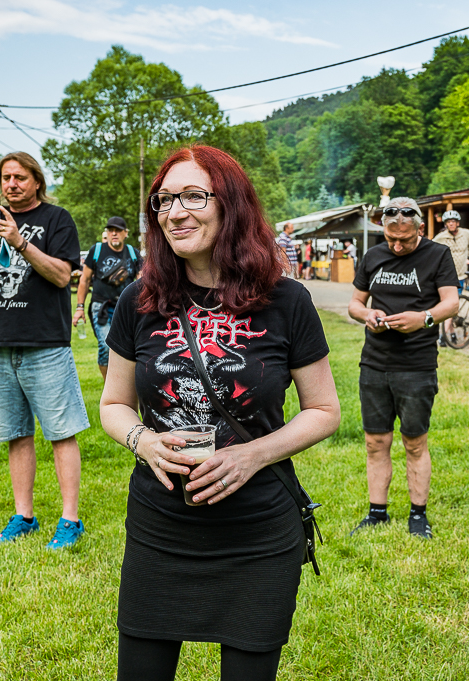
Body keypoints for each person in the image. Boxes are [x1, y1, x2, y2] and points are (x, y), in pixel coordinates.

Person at [99, 145, 340, 681]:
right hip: (161, 527)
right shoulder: (138, 299)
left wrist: (252, 456)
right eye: (164, 200)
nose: (175, 212)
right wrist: (144, 441)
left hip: (257, 531)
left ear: (230, 204)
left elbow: (324, 410)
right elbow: (113, 405)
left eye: (193, 196)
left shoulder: (287, 301)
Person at [0, 151, 90, 549]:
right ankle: (24, 516)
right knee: (16, 433)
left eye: (19, 177)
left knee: (61, 433)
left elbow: (63, 275)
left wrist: (19, 241)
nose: (11, 184)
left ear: (37, 182)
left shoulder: (57, 219)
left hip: (45, 342)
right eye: (5, 178)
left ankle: (70, 520)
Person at [347, 197, 459, 539]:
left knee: (414, 442)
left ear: (420, 229)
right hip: (375, 362)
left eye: (405, 240)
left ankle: (418, 515)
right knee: (375, 441)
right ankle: (377, 512)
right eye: (391, 239)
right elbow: (355, 303)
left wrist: (423, 318)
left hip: (416, 364)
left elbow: (451, 302)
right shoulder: (373, 256)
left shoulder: (438, 255)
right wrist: (368, 315)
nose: (397, 246)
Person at [73, 216, 141, 379]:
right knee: (105, 346)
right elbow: (84, 280)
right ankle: (108, 385)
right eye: (110, 230)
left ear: (126, 233)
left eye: (118, 230)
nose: (114, 233)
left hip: (126, 308)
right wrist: (80, 307)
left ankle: (125, 384)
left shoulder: (133, 253)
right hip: (101, 306)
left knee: (130, 347)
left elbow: (142, 279)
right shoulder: (96, 251)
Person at [433, 209, 469, 345]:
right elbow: (430, 249)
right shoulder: (441, 237)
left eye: (453, 221)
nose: (451, 224)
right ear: (445, 224)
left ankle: (452, 334)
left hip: (461, 275)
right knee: (451, 305)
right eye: (448, 222)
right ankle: (444, 336)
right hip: (447, 276)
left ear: (458, 223)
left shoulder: (466, 233)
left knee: (453, 306)